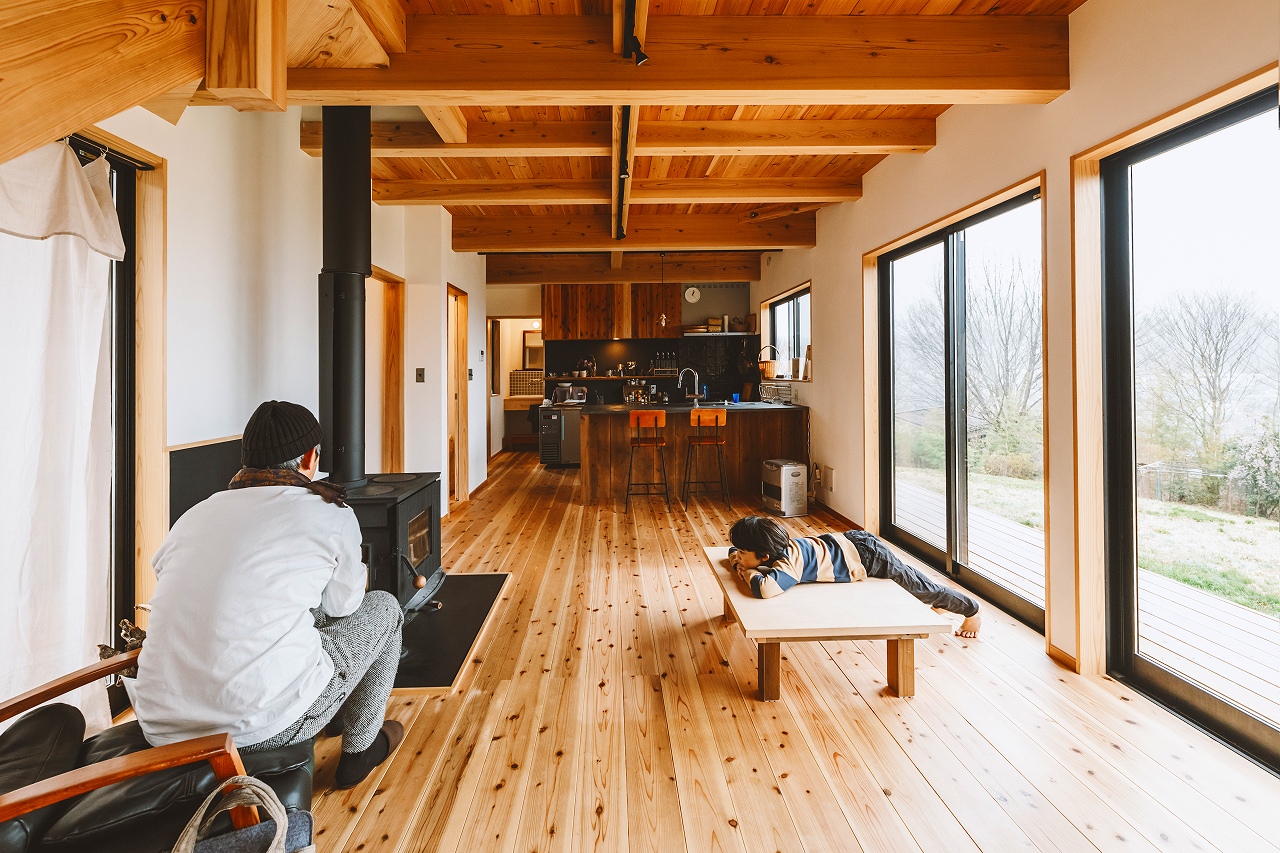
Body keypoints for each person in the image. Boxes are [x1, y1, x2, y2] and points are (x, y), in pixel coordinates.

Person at [134, 401, 405, 789]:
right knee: (385, 608)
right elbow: (344, 605)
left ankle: (338, 710)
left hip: (161, 730)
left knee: (298, 617)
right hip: (259, 730)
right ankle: (360, 751)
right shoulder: (329, 513)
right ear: (312, 457)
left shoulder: (193, 516)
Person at [728, 515, 982, 638]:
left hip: (868, 558)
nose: (737, 556)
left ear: (764, 556)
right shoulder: (774, 549)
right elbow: (729, 553)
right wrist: (739, 560)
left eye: (742, 552)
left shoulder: (788, 563)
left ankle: (972, 611)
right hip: (849, 542)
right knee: (918, 586)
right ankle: (939, 604)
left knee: (919, 587)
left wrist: (748, 572)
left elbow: (765, 590)